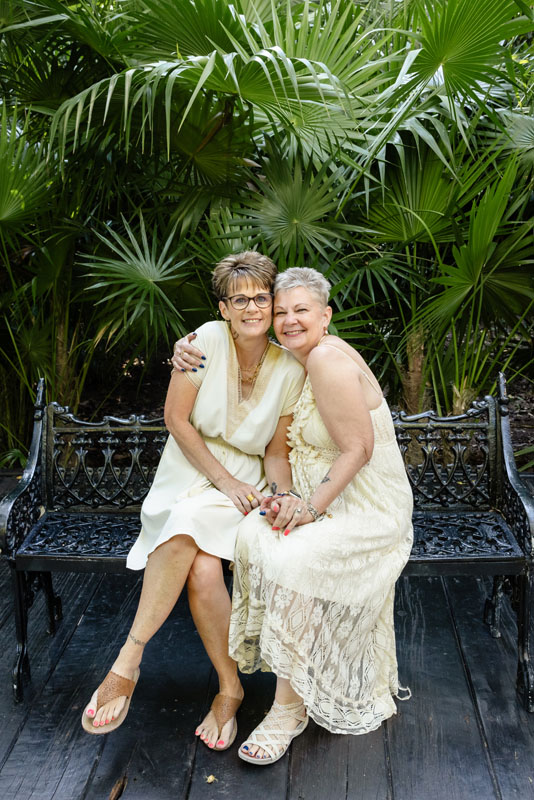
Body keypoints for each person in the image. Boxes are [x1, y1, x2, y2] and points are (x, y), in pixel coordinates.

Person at [175, 267, 413, 765]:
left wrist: (308, 507)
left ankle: (287, 709)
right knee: (258, 532)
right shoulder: (291, 364)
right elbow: (278, 453)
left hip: (366, 508)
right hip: (319, 498)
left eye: (301, 310)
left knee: (293, 559)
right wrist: (284, 497)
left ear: (326, 316)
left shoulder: (326, 358)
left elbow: (359, 448)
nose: (288, 320)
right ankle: (287, 682)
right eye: (280, 311)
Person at [81, 252, 305, 753]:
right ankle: (195, 676)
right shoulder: (203, 342)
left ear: (273, 302)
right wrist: (223, 480)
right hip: (189, 470)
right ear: (224, 308)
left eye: (261, 298)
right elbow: (175, 420)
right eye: (239, 300)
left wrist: (280, 494)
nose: (252, 308)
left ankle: (141, 663)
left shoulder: (290, 369)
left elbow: (275, 451)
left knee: (200, 558)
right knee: (194, 545)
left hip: (247, 483)